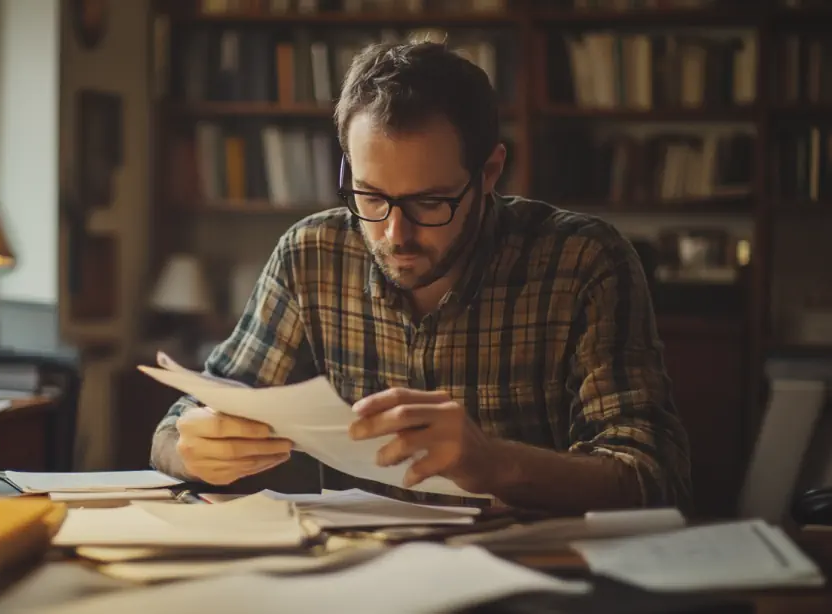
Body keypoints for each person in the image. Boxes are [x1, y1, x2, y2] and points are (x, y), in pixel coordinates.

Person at [150, 40, 692, 514]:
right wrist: (193, 450)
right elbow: (177, 427)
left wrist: (495, 465)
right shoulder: (311, 255)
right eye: (370, 197)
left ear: (489, 173)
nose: (394, 234)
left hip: (537, 578)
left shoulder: (584, 263)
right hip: (363, 580)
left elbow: (652, 475)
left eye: (430, 202)